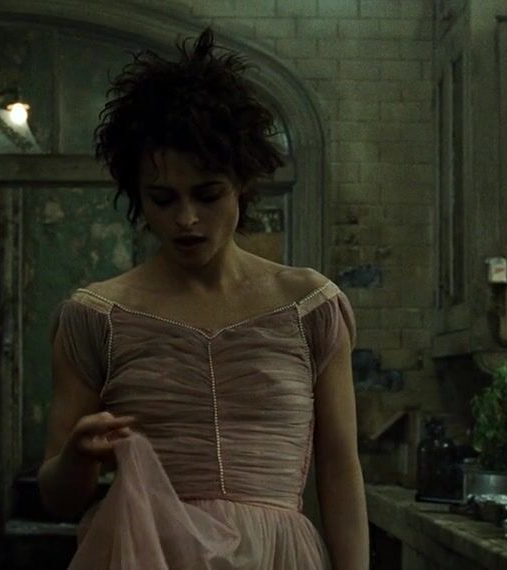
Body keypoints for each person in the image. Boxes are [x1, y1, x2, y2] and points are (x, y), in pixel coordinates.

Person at [37, 27, 368, 569]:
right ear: (138, 197)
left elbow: (341, 472)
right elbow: (57, 496)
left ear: (242, 184)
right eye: (163, 199)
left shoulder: (311, 306)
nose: (186, 218)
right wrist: (76, 457)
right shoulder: (96, 317)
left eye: (208, 194)